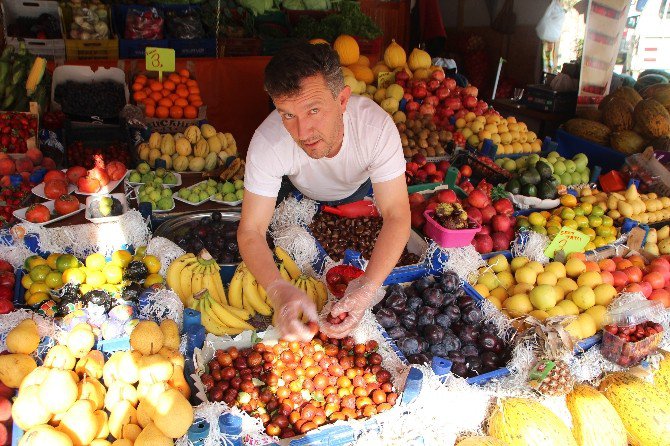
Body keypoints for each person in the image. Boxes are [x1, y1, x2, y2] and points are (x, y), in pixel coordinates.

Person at [237, 41, 410, 341]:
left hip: (358, 191)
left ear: (343, 100)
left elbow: (396, 214)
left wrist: (368, 287)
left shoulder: (376, 129)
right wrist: (277, 290)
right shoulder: (267, 142)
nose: (302, 132)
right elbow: (251, 229)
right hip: (296, 193)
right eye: (287, 115)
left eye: (313, 110)